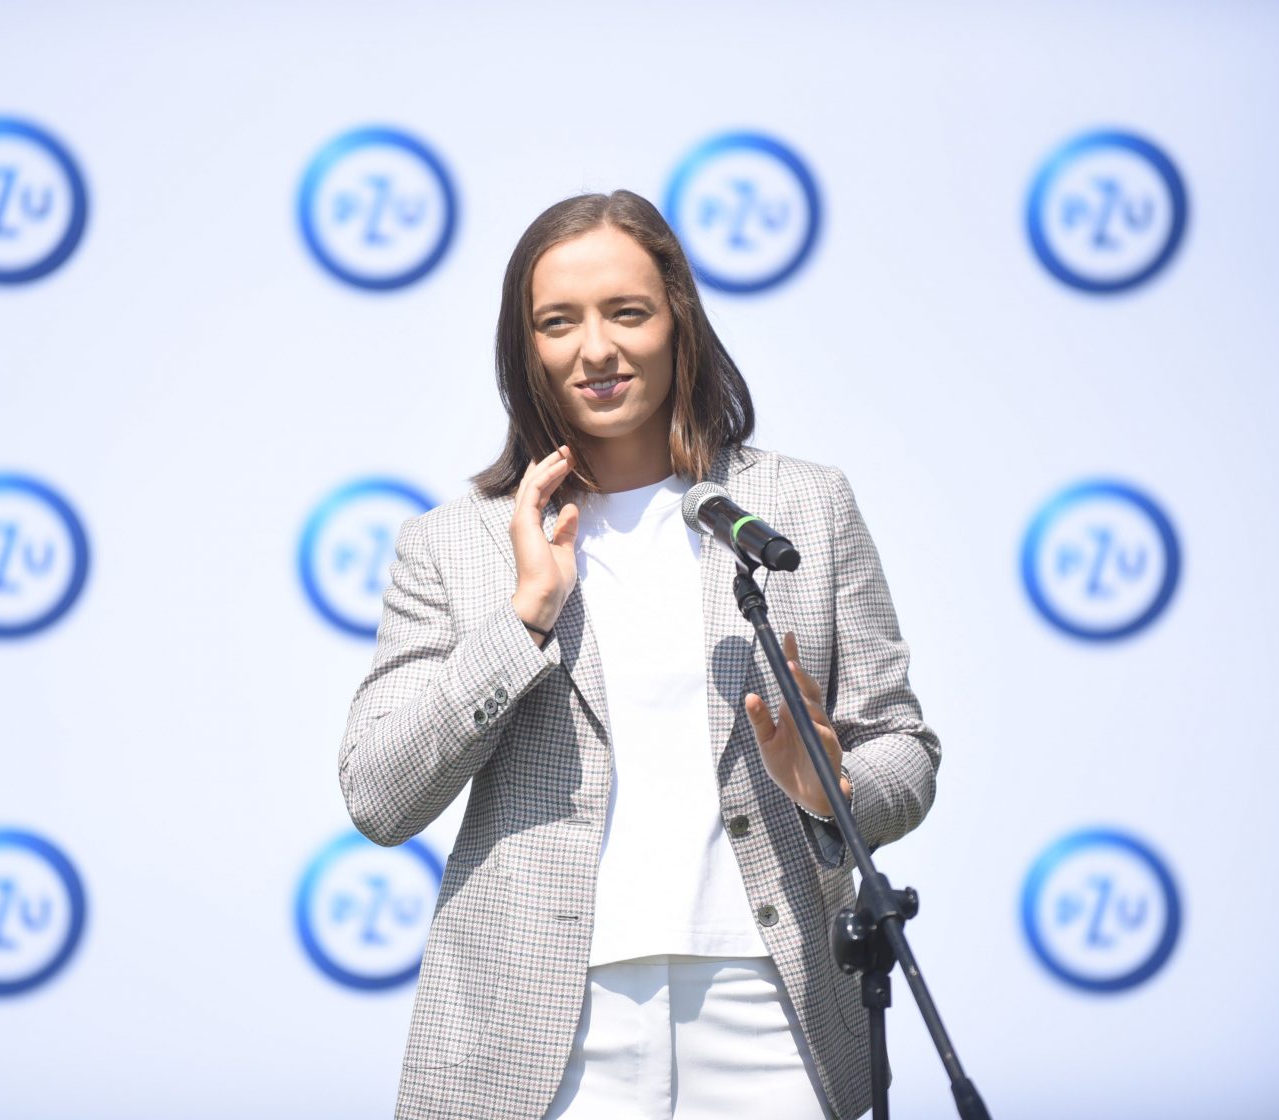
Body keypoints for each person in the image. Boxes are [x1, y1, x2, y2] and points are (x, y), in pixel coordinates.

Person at [338, 190, 940, 1120]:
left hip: (771, 1007)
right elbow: (380, 795)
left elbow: (903, 745)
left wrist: (833, 790)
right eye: (558, 322)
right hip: (540, 1027)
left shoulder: (804, 508)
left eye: (627, 312)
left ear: (678, 323)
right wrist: (524, 616)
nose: (596, 349)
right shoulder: (452, 543)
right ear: (524, 348)